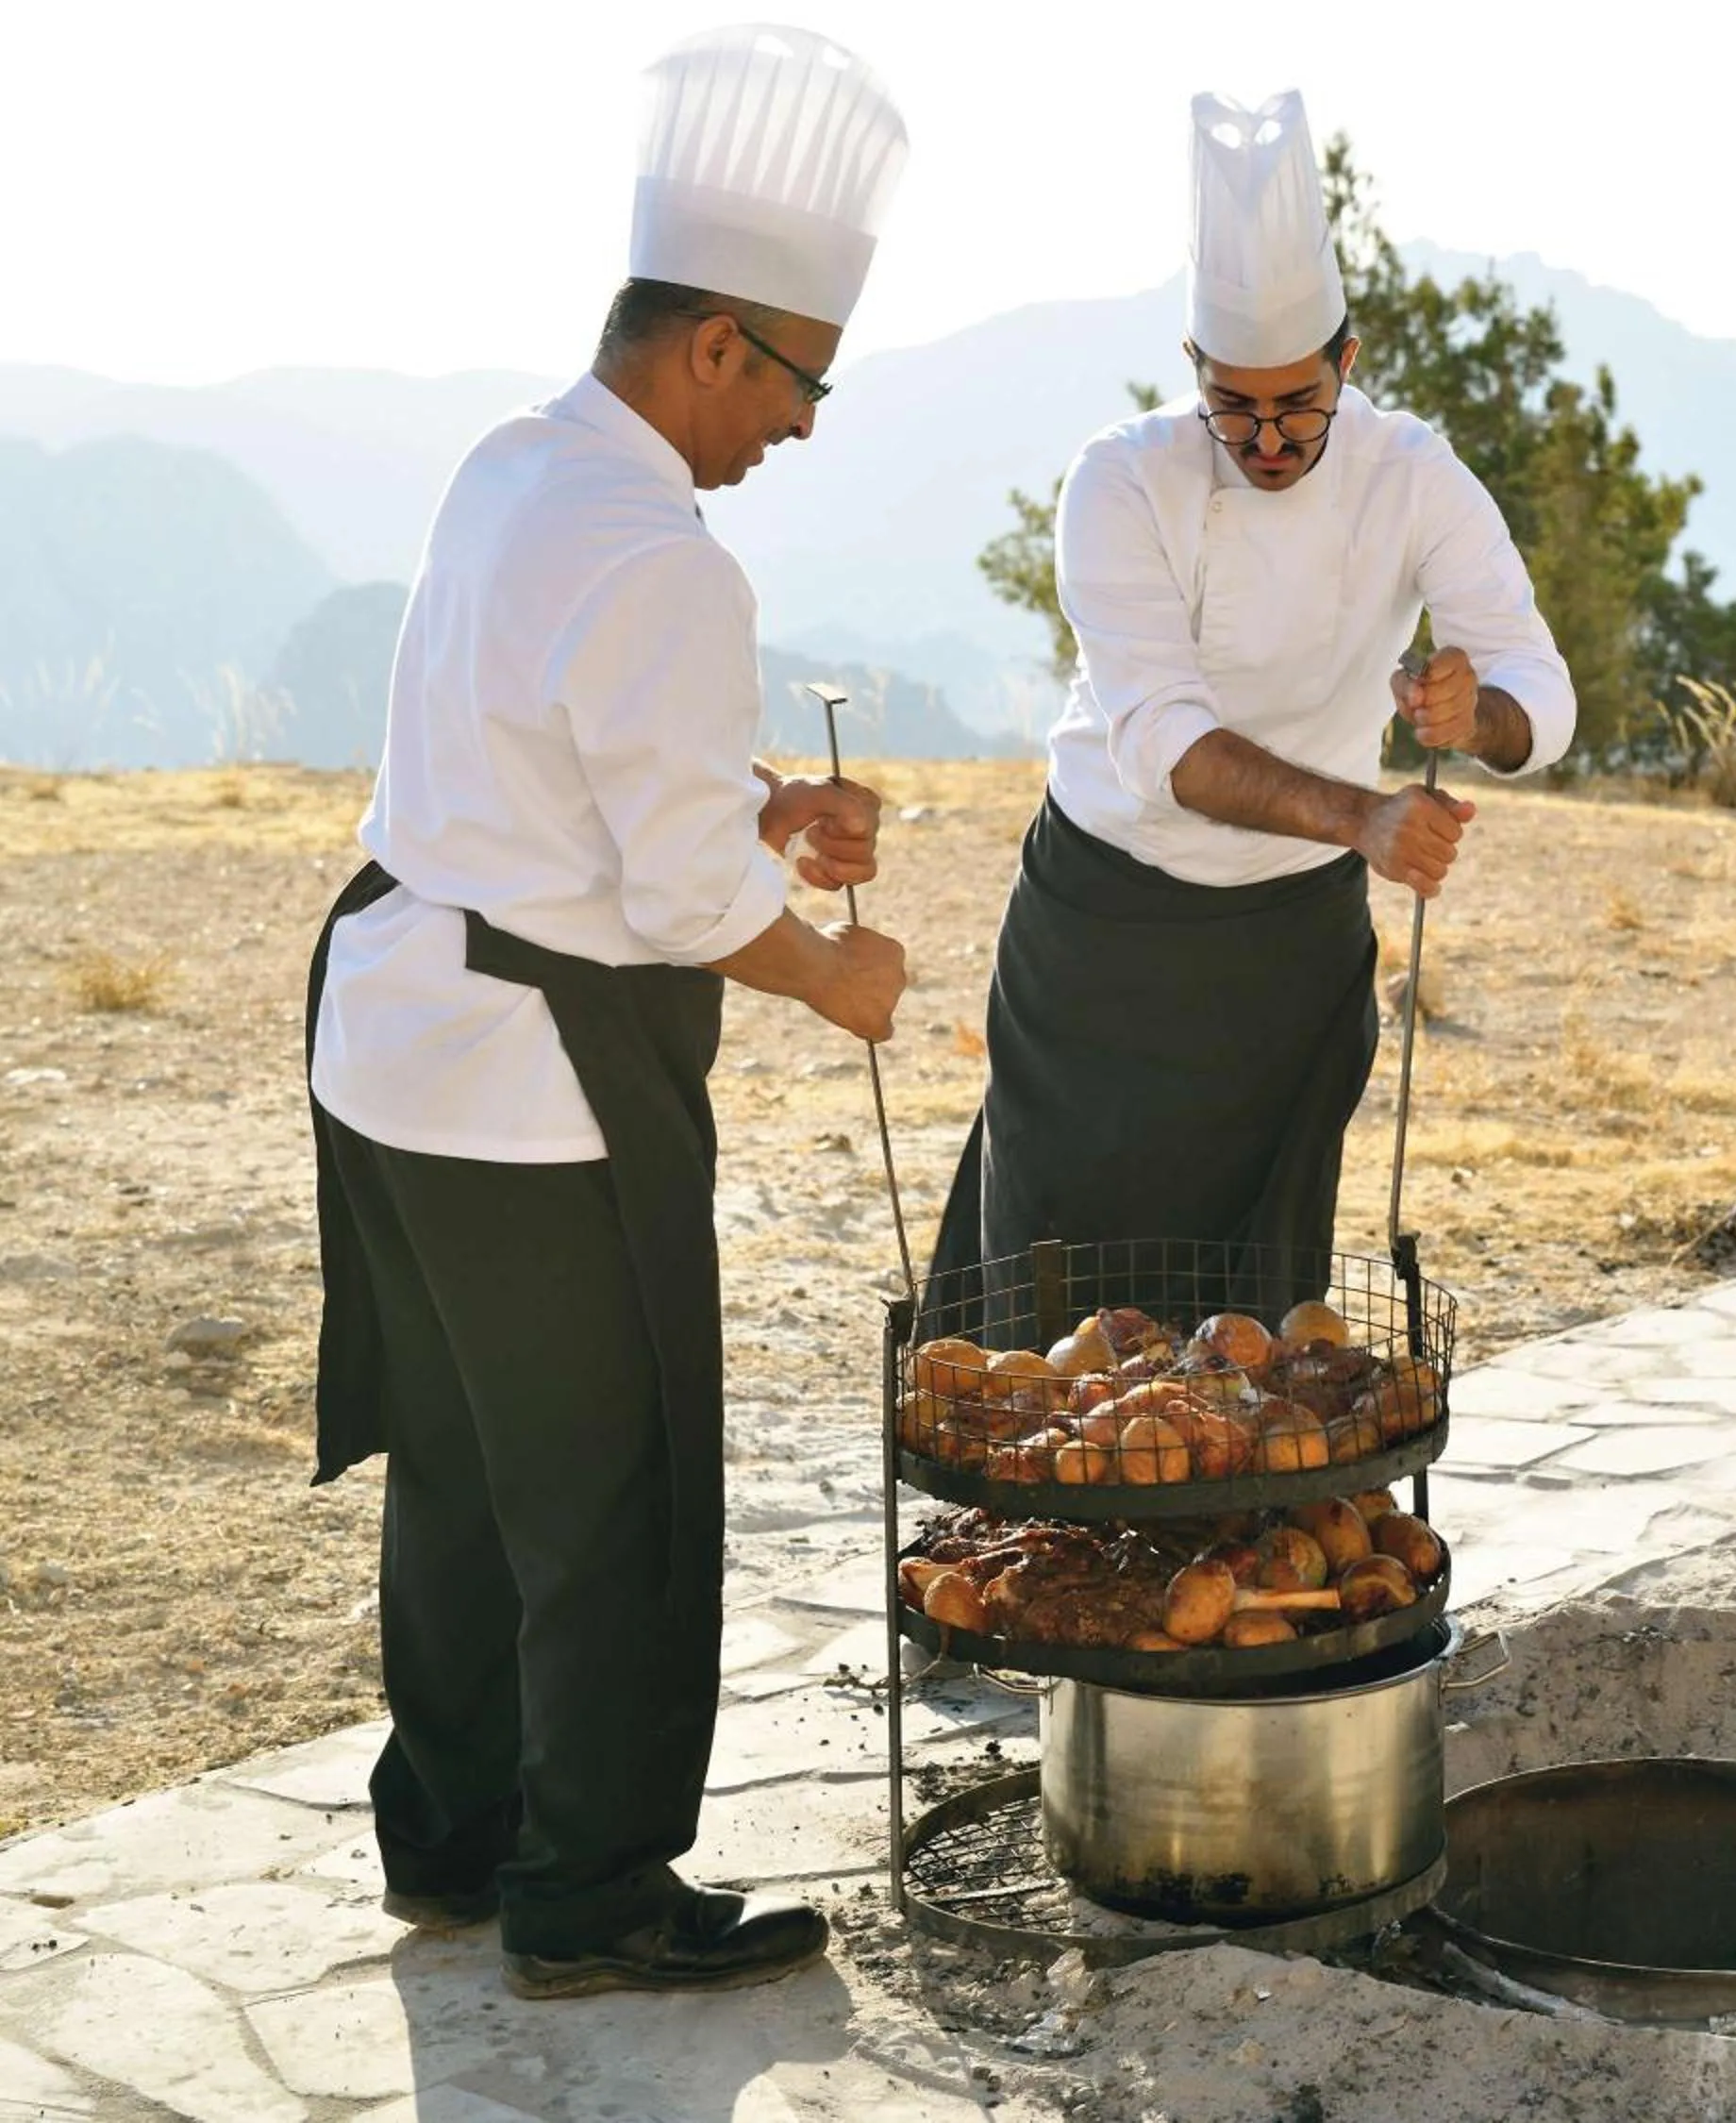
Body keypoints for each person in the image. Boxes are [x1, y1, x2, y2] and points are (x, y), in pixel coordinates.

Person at [303, 25, 910, 2000]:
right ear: (719, 342)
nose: (804, 427)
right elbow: (668, 896)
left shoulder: (515, 460)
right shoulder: (670, 557)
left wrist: (762, 807)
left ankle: (456, 1843)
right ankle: (594, 1901)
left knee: (473, 1473)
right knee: (623, 1492)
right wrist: (838, 970)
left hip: (394, 1019)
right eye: (803, 382)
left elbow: (544, 765)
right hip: (534, 1074)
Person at [920, 87, 1575, 1334]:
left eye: (1298, 404)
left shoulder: (1415, 477)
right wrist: (1363, 817)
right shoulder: (1120, 481)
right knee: (1058, 1312)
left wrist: (1474, 708)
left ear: (1349, 363)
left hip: (1289, 949)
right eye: (1236, 405)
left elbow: (1541, 694)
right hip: (1104, 930)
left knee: (1263, 1316)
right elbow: (1163, 741)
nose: (1267, 439)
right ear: (1194, 373)